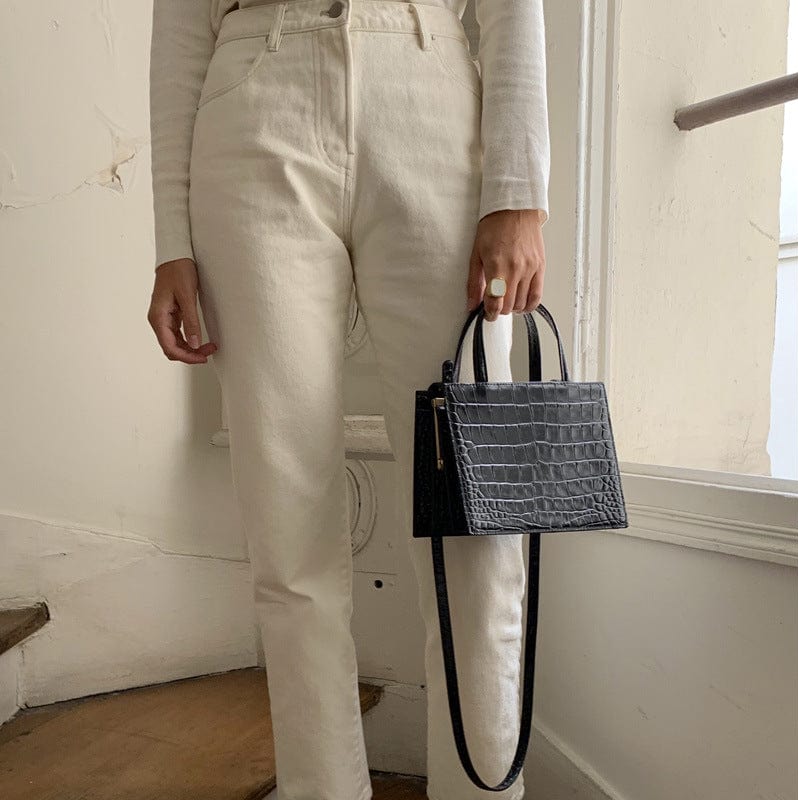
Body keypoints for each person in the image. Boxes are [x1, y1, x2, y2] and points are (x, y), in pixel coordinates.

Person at [146, 1, 550, 798]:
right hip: (253, 103)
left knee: (477, 526)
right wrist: (171, 241)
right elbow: (180, 24)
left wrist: (517, 187)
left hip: (428, 82)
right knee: (288, 531)